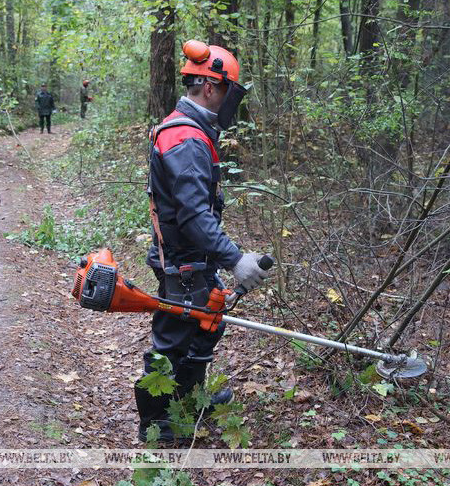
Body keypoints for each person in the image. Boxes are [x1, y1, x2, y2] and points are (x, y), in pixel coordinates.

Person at [137, 40, 265, 443]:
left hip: (192, 257)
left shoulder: (187, 129)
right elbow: (193, 216)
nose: (230, 101)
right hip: (184, 259)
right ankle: (157, 426)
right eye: (228, 91)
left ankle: (189, 403)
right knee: (174, 339)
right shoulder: (188, 138)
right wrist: (235, 258)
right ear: (210, 87)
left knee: (205, 327)